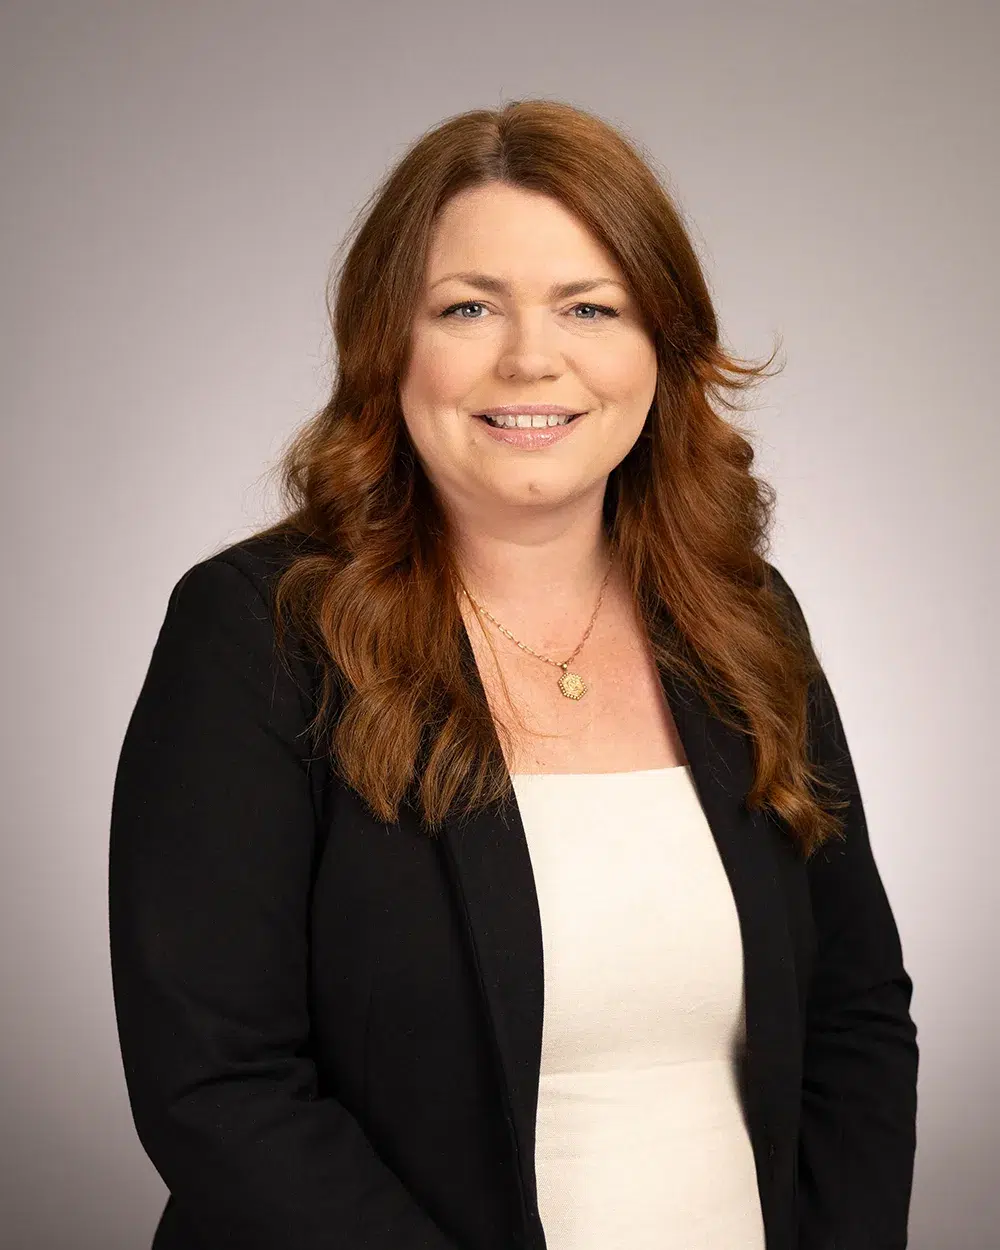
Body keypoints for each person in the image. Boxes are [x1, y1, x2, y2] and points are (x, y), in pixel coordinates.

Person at [109, 98, 919, 1250]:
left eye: (591, 306)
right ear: (387, 343)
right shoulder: (258, 631)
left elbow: (857, 1018)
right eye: (468, 306)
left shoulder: (745, 622)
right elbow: (218, 1084)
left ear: (661, 346)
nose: (531, 357)